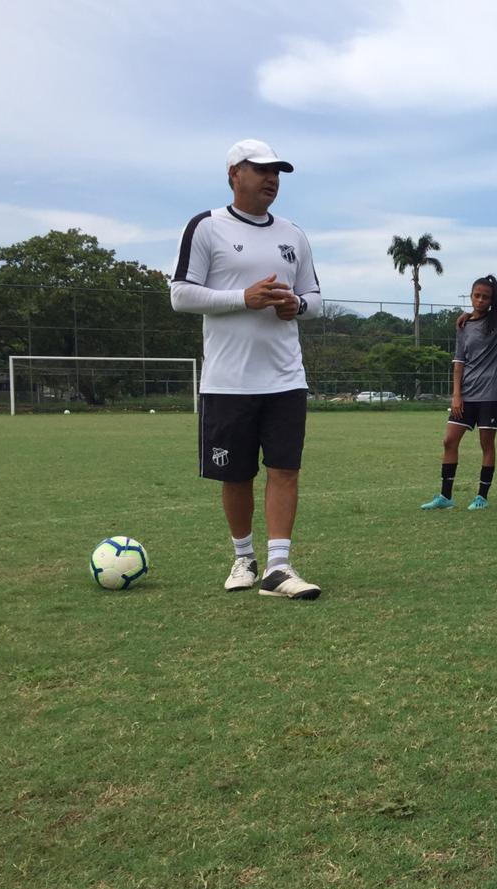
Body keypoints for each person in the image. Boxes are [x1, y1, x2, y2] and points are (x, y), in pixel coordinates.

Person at [170, 139, 321, 600]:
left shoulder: (294, 235)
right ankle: (243, 557)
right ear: (234, 173)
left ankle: (278, 566)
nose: (271, 179)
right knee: (236, 476)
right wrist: (244, 298)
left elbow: (315, 299)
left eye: (277, 172)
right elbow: (180, 295)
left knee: (285, 469)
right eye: (261, 169)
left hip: (285, 377)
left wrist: (295, 305)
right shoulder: (206, 227)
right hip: (227, 381)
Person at [421, 276, 497, 511]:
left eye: (486, 297)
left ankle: (482, 496)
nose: (480, 300)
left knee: (486, 444)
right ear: (470, 296)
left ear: (492, 300)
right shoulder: (463, 325)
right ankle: (445, 496)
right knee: (449, 440)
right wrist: (456, 395)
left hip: (491, 394)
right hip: (466, 394)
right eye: (476, 295)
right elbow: (459, 361)